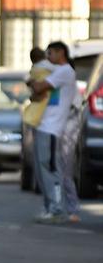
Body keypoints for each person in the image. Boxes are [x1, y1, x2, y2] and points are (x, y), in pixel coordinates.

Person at [28, 41, 80, 223]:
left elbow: (38, 87)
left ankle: (56, 208)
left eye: (50, 53)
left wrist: (34, 81)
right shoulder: (55, 71)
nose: (48, 57)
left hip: (51, 127)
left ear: (60, 53)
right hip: (42, 124)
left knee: (51, 168)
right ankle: (49, 206)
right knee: (42, 170)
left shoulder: (65, 72)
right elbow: (34, 94)